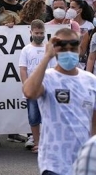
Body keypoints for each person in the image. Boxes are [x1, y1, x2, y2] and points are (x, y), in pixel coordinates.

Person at [24, 27, 96, 175]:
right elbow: (29, 92)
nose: (68, 52)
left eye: (73, 48)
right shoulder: (48, 77)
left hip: (84, 163)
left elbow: (94, 121)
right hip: (54, 163)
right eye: (63, 48)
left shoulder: (91, 80)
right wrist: (47, 56)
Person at [19, 20, 56, 153]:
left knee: (48, 117)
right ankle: (37, 142)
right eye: (36, 33)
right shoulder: (26, 50)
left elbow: (53, 69)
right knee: (33, 117)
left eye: (41, 33)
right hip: (32, 90)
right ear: (31, 32)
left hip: (46, 89)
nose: (39, 35)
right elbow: (23, 69)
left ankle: (47, 142)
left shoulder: (48, 49)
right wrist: (25, 85)